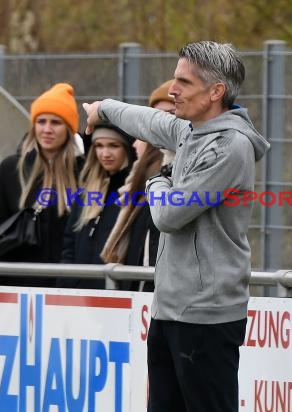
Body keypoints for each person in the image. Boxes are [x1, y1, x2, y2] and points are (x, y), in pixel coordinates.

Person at [83, 41, 270, 412]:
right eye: (174, 79)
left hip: (206, 315)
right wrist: (103, 108)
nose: (173, 89)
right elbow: (149, 121)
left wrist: (157, 180)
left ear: (216, 91)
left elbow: (168, 214)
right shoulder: (191, 130)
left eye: (184, 82)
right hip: (169, 310)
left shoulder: (230, 146)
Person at [0, 82, 83, 287]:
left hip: (68, 291)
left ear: (69, 129)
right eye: (41, 121)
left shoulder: (84, 174)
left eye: (56, 122)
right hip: (16, 286)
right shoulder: (11, 169)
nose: (47, 129)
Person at [100, 79, 176, 292]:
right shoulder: (143, 166)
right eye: (157, 116)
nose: (163, 122)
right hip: (140, 275)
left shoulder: (188, 161)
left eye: (170, 113)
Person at [57, 123, 135, 289]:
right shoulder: (85, 193)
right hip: (78, 297)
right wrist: (67, 284)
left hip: (116, 296)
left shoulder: (136, 195)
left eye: (113, 146)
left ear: (127, 149)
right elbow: (69, 245)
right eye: (99, 146)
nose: (105, 154)